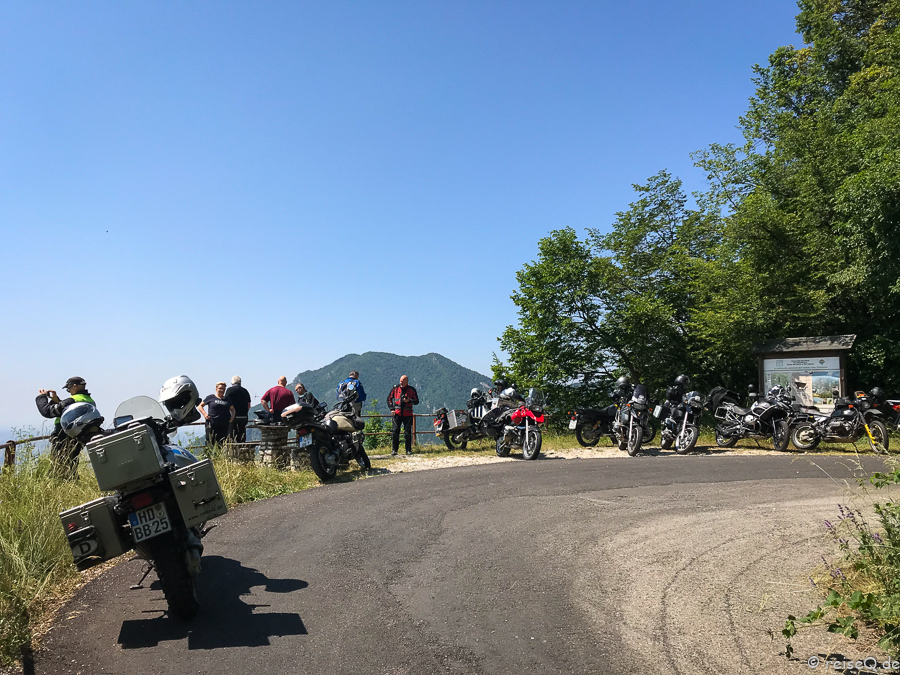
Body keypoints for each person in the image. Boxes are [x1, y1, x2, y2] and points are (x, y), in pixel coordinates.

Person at [36, 376, 97, 478]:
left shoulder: (73, 400)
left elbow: (47, 412)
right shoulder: (90, 401)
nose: (69, 391)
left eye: (68, 388)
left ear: (75, 386)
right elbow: (69, 412)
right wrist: (56, 400)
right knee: (71, 464)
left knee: (58, 466)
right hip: (78, 437)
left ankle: (61, 484)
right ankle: (72, 483)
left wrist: (42, 398)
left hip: (63, 437)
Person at [387, 374, 419, 456]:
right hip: (397, 414)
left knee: (407, 433)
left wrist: (409, 401)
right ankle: (394, 450)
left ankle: (408, 450)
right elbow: (389, 399)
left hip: (407, 414)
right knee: (395, 432)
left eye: (402, 381)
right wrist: (392, 409)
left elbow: (416, 401)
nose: (401, 383)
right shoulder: (395, 388)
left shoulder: (411, 390)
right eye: (400, 381)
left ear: (406, 382)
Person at [198, 382, 235, 446]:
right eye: (220, 388)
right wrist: (204, 414)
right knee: (210, 441)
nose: (222, 390)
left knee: (222, 441)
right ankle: (209, 452)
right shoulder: (211, 397)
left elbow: (232, 409)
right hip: (211, 422)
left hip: (224, 424)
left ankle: (220, 452)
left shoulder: (227, 399)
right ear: (216, 389)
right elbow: (200, 406)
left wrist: (232, 418)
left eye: (223, 389)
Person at [225, 375, 252, 442]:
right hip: (243, 416)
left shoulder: (229, 390)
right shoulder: (245, 391)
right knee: (241, 434)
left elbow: (226, 402)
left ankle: (232, 448)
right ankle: (242, 447)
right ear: (240, 382)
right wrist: (245, 412)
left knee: (231, 436)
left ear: (232, 382)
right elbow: (249, 405)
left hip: (232, 416)